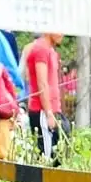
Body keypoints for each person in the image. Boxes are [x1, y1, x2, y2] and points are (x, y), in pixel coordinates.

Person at [21, 32, 65, 162]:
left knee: (57, 155)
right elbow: (42, 83)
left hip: (53, 108)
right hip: (42, 111)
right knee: (46, 157)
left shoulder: (51, 50)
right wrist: (48, 113)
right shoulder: (40, 49)